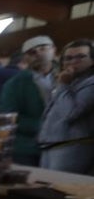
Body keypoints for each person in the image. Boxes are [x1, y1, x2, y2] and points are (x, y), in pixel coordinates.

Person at [37, 39, 94, 173]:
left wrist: (63, 85)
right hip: (52, 145)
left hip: (73, 147)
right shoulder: (70, 80)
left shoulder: (90, 83)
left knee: (59, 185)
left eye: (80, 57)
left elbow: (70, 113)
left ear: (92, 60)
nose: (73, 61)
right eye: (68, 58)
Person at [0, 35, 56, 166]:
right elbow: (9, 115)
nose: (38, 53)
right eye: (32, 52)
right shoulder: (14, 84)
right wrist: (43, 127)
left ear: (53, 50)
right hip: (28, 147)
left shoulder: (69, 77)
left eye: (43, 48)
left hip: (63, 146)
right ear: (25, 58)